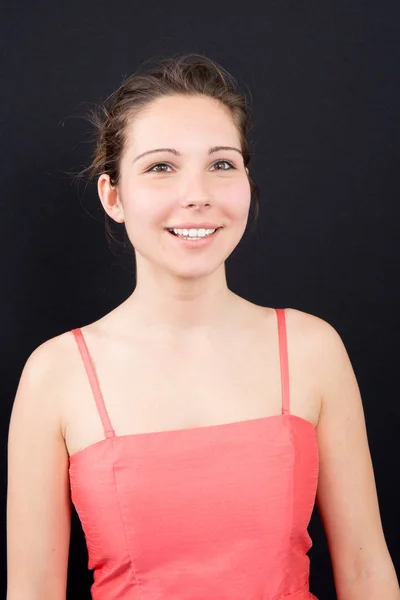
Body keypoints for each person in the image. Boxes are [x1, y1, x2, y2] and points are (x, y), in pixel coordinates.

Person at [6, 53, 399, 600]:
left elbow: (364, 571)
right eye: (161, 167)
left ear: (245, 181)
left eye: (221, 164)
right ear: (113, 196)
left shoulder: (313, 349)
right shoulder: (57, 373)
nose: (198, 195)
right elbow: (31, 591)